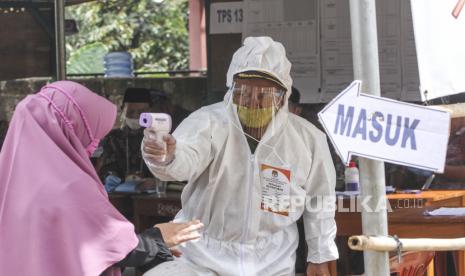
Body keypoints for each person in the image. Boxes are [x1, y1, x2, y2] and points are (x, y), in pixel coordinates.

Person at [142, 37, 338, 275]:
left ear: (282, 96)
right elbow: (184, 159)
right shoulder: (208, 122)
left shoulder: (307, 139)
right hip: (201, 255)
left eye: (264, 94)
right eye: (244, 92)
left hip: (272, 261)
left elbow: (320, 200)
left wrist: (319, 255)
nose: (253, 103)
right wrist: (167, 155)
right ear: (231, 89)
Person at [0, 81, 202, 275]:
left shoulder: (9, 180)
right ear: (71, 130)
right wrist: (158, 238)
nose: (92, 146)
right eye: (90, 137)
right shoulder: (69, 187)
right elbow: (104, 247)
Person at [97, 88, 172, 190]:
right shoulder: (113, 138)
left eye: (141, 112)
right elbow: (105, 166)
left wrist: (157, 181)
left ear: (150, 111)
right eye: (131, 112)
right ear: (123, 110)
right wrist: (110, 176)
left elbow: (171, 169)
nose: (135, 116)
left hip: (151, 196)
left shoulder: (160, 137)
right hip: (120, 193)